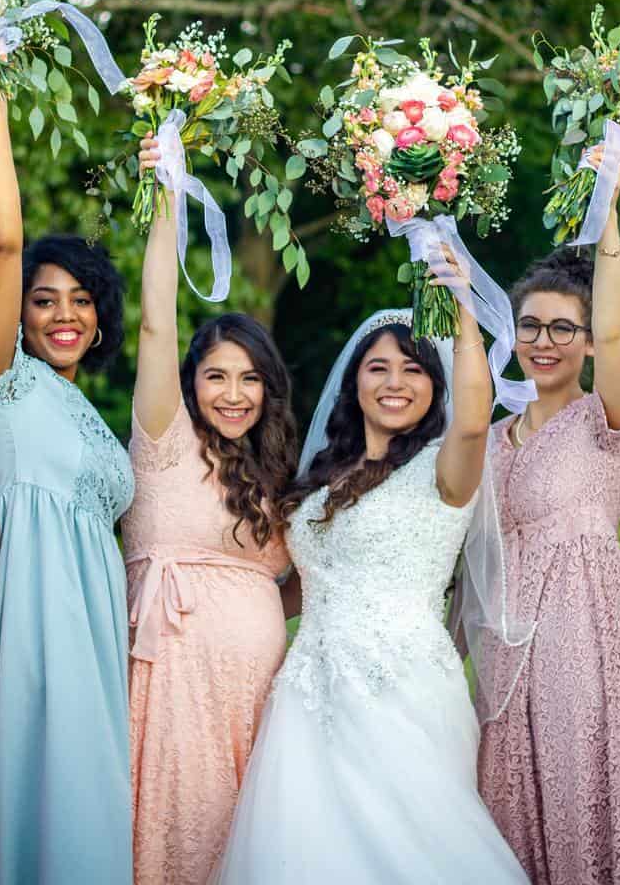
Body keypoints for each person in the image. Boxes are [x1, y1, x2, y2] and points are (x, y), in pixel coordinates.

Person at [212, 257, 529, 884]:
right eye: (377, 367)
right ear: (353, 381)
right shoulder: (323, 479)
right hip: (307, 690)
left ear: (436, 386)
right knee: (306, 847)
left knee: (413, 842)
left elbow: (475, 412)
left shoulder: (446, 468)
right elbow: (301, 585)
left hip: (401, 683)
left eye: (414, 370)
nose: (395, 382)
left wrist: (463, 306)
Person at [0, 41, 134, 884]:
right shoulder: (0, 381)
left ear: (100, 323)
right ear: (17, 314)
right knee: (48, 803)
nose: (63, 313)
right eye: (42, 298)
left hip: (97, 623)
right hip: (36, 618)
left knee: (94, 804)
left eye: (81, 300)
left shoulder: (92, 412)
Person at [478, 145, 620, 884]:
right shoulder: (489, 435)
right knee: (502, 800)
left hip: (579, 636)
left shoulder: (606, 420)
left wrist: (608, 203)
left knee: (581, 790)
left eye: (562, 328)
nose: (543, 342)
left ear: (586, 340)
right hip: (500, 641)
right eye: (530, 326)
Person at [123, 137, 301, 884]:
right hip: (176, 680)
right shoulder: (163, 444)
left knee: (246, 839)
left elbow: (296, 584)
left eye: (250, 379)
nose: (233, 393)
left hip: (256, 691)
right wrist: (166, 199)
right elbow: (157, 323)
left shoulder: (273, 472)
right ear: (190, 381)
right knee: (178, 830)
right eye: (217, 377)